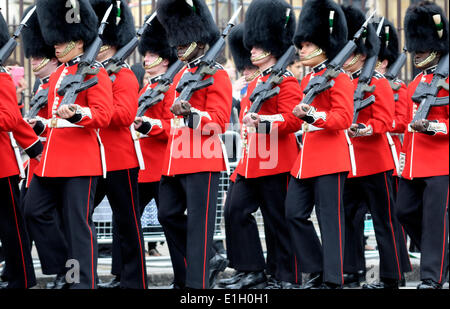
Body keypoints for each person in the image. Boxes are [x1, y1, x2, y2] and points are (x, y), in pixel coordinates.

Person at [23, 0, 113, 289]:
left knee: (78, 226)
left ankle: (82, 282)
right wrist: (40, 124)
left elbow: (103, 115)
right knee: (33, 209)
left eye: (61, 42)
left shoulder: (94, 71)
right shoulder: (60, 73)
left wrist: (78, 114)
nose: (55, 47)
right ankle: (64, 268)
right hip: (51, 158)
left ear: (77, 42)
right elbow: (51, 117)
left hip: (80, 159)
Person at [223, 0, 301, 290]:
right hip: (252, 161)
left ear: (271, 47)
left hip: (277, 160)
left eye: (256, 47)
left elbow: (293, 120)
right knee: (234, 210)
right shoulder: (257, 82)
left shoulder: (287, 81)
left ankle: (286, 276)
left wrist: (265, 122)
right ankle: (251, 268)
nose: (251, 50)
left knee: (277, 221)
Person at [156, 0, 232, 289]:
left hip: (203, 157)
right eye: (176, 42)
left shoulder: (218, 75)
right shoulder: (180, 75)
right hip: (175, 158)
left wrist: (193, 114)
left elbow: (219, 124)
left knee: (199, 227)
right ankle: (210, 257)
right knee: (167, 214)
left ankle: (196, 287)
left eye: (184, 42)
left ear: (199, 42)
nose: (178, 48)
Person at [285, 0, 354, 290]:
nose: (300, 51)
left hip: (330, 157)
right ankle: (315, 269)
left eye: (306, 45)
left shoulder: (339, 77)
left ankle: (333, 279)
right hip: (306, 158)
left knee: (330, 221)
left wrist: (313, 114)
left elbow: (344, 118)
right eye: (300, 46)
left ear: (322, 46)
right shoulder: (310, 78)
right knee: (293, 213)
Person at [341, 5, 405, 289]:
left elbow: (383, 120)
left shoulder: (378, 82)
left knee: (384, 221)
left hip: (376, 161)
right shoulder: (341, 83)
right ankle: (351, 270)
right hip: (349, 162)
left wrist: (366, 129)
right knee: (348, 221)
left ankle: (392, 275)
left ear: (361, 55)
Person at [88, 0, 148, 289]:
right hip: (93, 160)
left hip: (120, 160)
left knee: (127, 224)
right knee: (80, 217)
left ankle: (134, 280)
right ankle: (86, 275)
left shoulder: (123, 76)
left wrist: (96, 109)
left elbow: (125, 115)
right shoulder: (91, 75)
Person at [397, 0, 448, 289]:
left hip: (441, 161)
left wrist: (433, 126)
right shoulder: (415, 82)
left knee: (434, 221)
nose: (417, 53)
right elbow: (403, 122)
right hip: (413, 163)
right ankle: (441, 253)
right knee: (403, 211)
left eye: (423, 46)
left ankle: (432, 276)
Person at [18, 5, 69, 290]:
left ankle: (69, 271)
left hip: (59, 158)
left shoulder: (61, 81)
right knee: (33, 212)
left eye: (39, 56)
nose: (34, 61)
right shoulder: (41, 86)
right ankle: (60, 269)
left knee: (67, 219)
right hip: (39, 159)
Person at [0, 11, 39, 289]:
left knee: (12, 229)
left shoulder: (2, 77)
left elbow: (10, 118)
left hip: (2, 167)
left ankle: (22, 279)